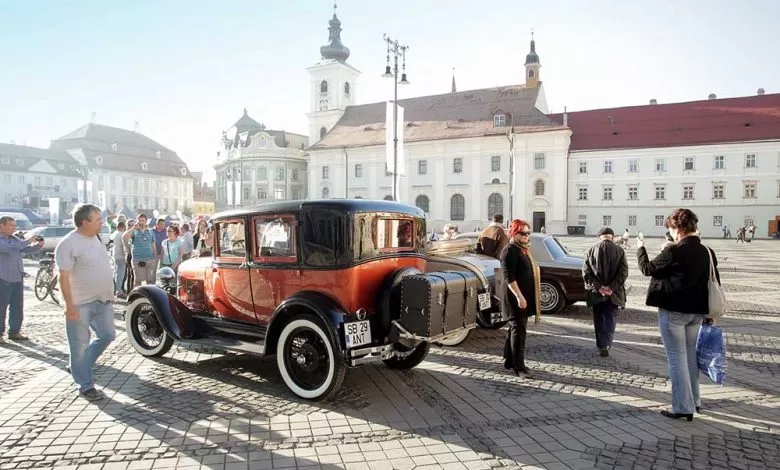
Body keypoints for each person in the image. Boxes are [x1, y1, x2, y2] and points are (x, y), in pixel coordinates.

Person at [637, 208, 719, 421]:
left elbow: (647, 269)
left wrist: (640, 248)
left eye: (671, 229)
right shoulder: (707, 251)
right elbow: (714, 280)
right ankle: (695, 401)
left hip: (673, 311)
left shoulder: (674, 251)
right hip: (696, 313)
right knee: (690, 357)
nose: (671, 233)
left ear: (678, 229)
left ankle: (683, 407)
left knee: (677, 359)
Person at [54, 204, 116, 401]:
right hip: (80, 303)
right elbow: (63, 277)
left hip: (103, 300)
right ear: (84, 222)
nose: (101, 222)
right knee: (79, 346)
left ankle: (78, 366)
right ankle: (85, 385)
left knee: (108, 335)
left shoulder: (96, 237)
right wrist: (68, 305)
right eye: (97, 219)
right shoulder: (68, 244)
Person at [501, 219, 542, 377]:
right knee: (519, 331)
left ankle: (509, 360)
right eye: (523, 233)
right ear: (514, 233)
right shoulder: (509, 251)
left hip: (523, 296)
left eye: (528, 233)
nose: (526, 236)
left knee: (515, 328)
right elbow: (509, 277)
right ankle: (519, 367)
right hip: (515, 298)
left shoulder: (523, 249)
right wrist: (519, 296)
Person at [582, 227, 629, 357]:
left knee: (598, 318)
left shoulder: (591, 250)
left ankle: (601, 344)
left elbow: (586, 273)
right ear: (612, 237)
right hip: (614, 294)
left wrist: (599, 288)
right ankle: (607, 344)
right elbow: (623, 273)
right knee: (610, 318)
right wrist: (611, 288)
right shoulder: (620, 251)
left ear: (600, 237)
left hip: (596, 293)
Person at [0, 216, 44, 342]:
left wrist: (38, 245)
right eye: (11, 225)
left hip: (17, 277)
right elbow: (6, 248)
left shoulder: (15, 239)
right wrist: (27, 241)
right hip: (3, 278)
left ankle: (15, 331)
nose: (14, 228)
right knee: (1, 307)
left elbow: (25, 250)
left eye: (15, 225)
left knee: (17, 307)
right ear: (1, 225)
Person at [123, 213, 157, 287]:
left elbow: (153, 245)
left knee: (150, 281)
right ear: (137, 221)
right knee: (138, 281)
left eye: (143, 221)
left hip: (150, 259)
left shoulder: (150, 231)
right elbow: (124, 238)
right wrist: (133, 228)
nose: (141, 222)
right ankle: (137, 294)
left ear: (146, 221)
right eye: (139, 221)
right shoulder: (134, 231)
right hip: (137, 259)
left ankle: (149, 294)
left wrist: (155, 258)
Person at [110, 221, 127, 298]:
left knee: (115, 273)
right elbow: (124, 246)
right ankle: (119, 291)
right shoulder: (122, 235)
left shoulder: (114, 234)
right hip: (121, 256)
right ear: (123, 227)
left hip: (115, 255)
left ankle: (115, 289)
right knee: (120, 274)